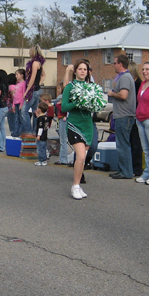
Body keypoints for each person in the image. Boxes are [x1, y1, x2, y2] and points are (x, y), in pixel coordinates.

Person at [62, 59, 95, 200]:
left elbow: (96, 106)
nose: (82, 71)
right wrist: (76, 102)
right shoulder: (70, 87)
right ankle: (75, 185)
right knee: (80, 156)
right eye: (80, 69)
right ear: (75, 71)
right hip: (74, 125)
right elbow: (64, 107)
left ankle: (78, 185)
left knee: (83, 158)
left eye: (85, 69)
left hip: (88, 125)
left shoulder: (91, 87)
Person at [108, 54, 136, 179]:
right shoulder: (124, 77)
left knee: (123, 144)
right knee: (122, 144)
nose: (113, 65)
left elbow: (124, 95)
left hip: (124, 116)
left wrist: (112, 93)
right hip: (123, 115)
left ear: (120, 64)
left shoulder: (125, 78)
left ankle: (126, 172)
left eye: (114, 63)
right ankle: (122, 170)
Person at [22, 45, 45, 133]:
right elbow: (43, 75)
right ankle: (35, 132)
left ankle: (29, 131)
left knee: (24, 111)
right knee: (36, 112)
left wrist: (27, 91)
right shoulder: (39, 63)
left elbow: (32, 78)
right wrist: (38, 84)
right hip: (37, 90)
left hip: (33, 91)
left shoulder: (35, 63)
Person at [0, 69, 9, 153]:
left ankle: (0, 145)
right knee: (1, 127)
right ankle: (3, 144)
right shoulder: (6, 85)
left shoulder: (0, 85)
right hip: (5, 107)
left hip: (0, 107)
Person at [34, 102, 50, 166]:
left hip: (41, 135)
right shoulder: (45, 117)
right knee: (44, 147)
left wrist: (38, 135)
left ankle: (42, 160)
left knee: (40, 149)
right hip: (45, 135)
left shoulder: (40, 118)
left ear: (39, 110)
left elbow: (40, 127)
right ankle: (45, 159)